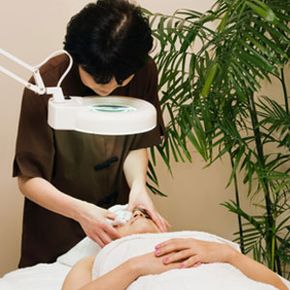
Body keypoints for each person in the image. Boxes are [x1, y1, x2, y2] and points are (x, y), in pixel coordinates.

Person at [13, 0, 168, 268]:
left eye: (122, 80)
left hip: (114, 230)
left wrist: (139, 187)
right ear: (77, 58)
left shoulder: (142, 71)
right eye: (99, 79)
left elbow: (136, 143)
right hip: (56, 227)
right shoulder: (47, 83)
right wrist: (82, 212)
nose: (111, 88)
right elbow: (29, 179)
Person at [62, 208, 288, 290]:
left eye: (143, 213)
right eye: (122, 218)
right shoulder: (101, 258)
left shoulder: (199, 238)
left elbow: (279, 285)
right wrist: (135, 267)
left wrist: (226, 254)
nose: (136, 214)